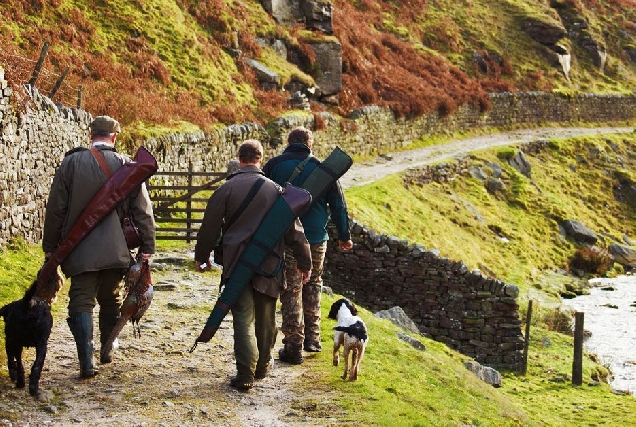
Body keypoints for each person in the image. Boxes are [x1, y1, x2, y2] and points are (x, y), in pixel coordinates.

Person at [42, 115, 156, 378]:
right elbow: (143, 211)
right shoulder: (128, 165)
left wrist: (51, 248)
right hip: (117, 250)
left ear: (90, 133)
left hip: (79, 249)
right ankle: (107, 349)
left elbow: (56, 208)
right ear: (114, 137)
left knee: (81, 301)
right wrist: (147, 246)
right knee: (111, 298)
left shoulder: (71, 163)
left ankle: (86, 362)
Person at [194, 139, 312, 391]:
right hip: (269, 265)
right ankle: (262, 366)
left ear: (240, 159)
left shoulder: (225, 189)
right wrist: (305, 263)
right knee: (266, 319)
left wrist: (202, 256)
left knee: (242, 319)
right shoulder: (277, 191)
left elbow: (209, 228)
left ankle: (245, 373)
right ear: (260, 159)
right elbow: (295, 232)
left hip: (236, 264)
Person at [263, 126, 353, 364]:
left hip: (287, 238)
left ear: (288, 142)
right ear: (310, 144)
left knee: (291, 287)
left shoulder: (273, 166)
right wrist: (344, 236)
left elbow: (261, 198)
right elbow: (339, 206)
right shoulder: (324, 170)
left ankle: (294, 345)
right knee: (313, 284)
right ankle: (312, 339)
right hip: (315, 238)